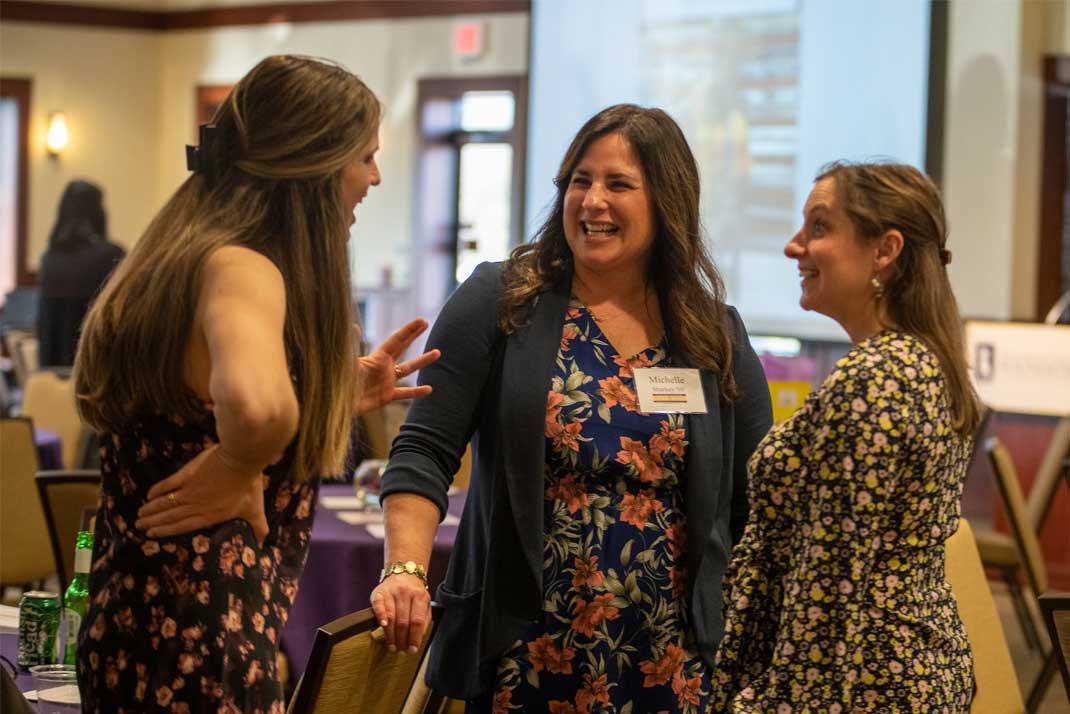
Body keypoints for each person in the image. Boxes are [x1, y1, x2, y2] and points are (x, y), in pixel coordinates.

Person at [373, 104, 773, 713]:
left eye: (618, 185)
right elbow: (425, 449)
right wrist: (404, 566)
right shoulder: (500, 302)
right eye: (580, 181)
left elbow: (756, 499)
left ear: (667, 201)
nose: (592, 202)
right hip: (524, 653)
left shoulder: (711, 333)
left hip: (671, 661)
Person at [72, 55, 438, 712]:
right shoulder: (244, 264)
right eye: (365, 157)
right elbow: (258, 408)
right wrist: (243, 459)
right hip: (200, 640)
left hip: (132, 627)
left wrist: (329, 392)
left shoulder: (182, 251)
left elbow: (194, 408)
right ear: (316, 165)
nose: (374, 177)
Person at [712, 161, 980, 711]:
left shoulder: (873, 380)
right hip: (909, 669)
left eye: (818, 227)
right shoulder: (923, 360)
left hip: (862, 685)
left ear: (884, 251)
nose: (793, 246)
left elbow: (828, 599)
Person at [36, 180, 125, 367]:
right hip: (94, 381)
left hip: (49, 381)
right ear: (98, 212)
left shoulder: (48, 259)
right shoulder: (111, 256)